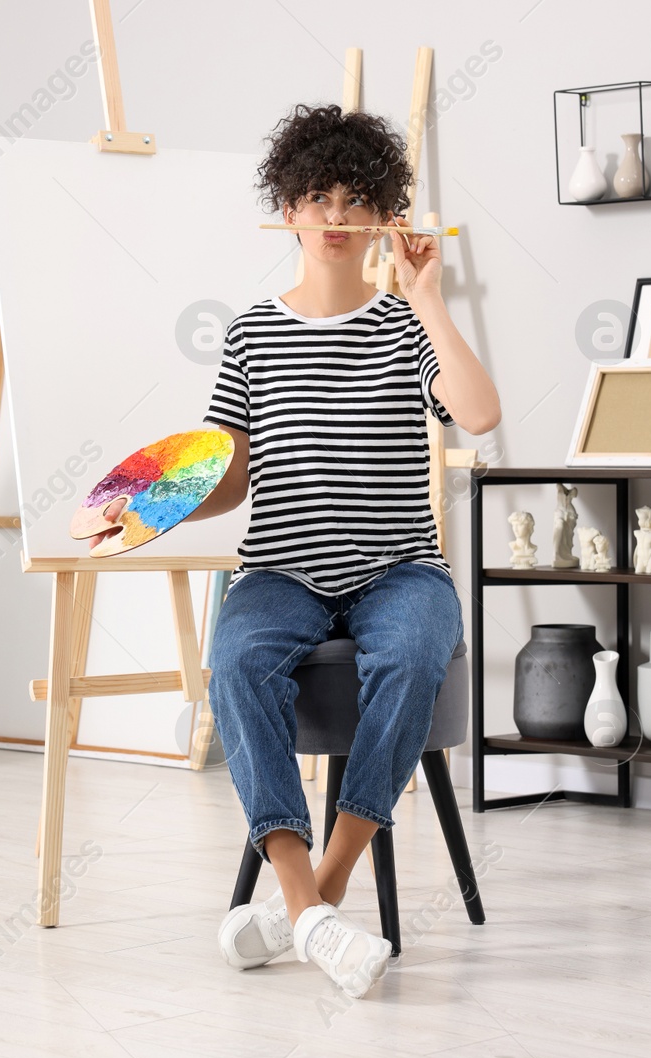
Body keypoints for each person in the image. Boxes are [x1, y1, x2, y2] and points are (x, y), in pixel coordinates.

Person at [196, 102, 499, 998]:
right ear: (285, 208)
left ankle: (316, 897)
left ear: (383, 215)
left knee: (412, 653)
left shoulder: (408, 330)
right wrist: (160, 500)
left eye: (355, 198)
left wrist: (430, 297)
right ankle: (305, 897)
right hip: (279, 570)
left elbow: (479, 413)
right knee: (237, 657)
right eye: (316, 196)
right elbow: (230, 482)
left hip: (400, 571)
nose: (335, 215)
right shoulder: (250, 333)